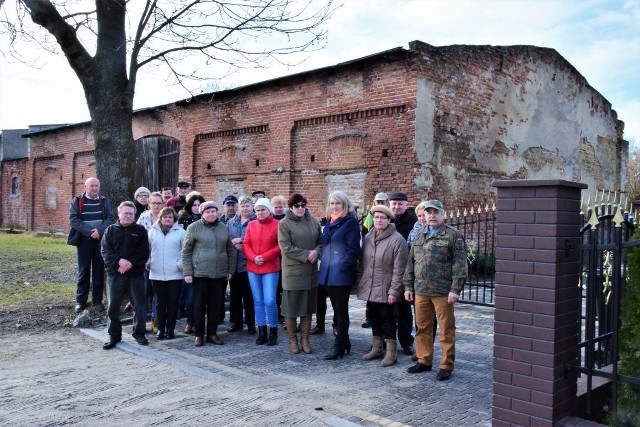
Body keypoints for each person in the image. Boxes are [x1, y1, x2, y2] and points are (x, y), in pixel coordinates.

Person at [403, 200, 467, 381]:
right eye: (428, 212)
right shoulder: (419, 234)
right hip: (421, 290)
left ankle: (446, 364)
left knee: (446, 330)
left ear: (442, 214)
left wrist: (455, 289)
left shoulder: (453, 236)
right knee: (422, 328)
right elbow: (410, 263)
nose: (432, 215)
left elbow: (460, 265)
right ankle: (424, 360)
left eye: (435, 212)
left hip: (443, 291)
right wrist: (408, 286)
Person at [357, 205, 408, 367]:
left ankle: (391, 353)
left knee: (388, 319)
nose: (379, 220)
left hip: (386, 287)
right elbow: (363, 263)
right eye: (376, 217)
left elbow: (400, 269)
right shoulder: (368, 238)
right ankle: (377, 348)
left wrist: (394, 290)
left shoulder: (397, 240)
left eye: (383, 218)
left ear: (389, 220)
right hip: (370, 286)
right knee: (373, 317)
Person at [181, 200, 235, 347]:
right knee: (199, 305)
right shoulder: (193, 228)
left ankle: (212, 333)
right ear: (202, 213)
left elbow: (230, 250)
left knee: (215, 305)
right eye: (207, 212)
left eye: (213, 211)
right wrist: (188, 272)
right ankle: (199, 334)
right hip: (200, 273)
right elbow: (186, 251)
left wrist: (230, 270)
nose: (211, 214)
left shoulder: (223, 227)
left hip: (219, 274)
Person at [101, 201, 150, 349]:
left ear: (134, 215)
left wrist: (129, 264)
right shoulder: (110, 231)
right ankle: (114, 335)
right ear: (119, 213)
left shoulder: (140, 231)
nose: (128, 216)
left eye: (131, 214)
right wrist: (119, 262)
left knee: (139, 307)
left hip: (135, 275)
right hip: (114, 275)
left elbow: (143, 253)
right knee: (113, 307)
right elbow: (105, 252)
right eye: (125, 213)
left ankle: (139, 333)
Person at [278, 193, 322, 354]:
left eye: (303, 205)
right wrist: (306, 255)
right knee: (291, 308)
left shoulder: (313, 221)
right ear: (291, 207)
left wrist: (316, 252)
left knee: (307, 307)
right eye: (297, 206)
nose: (300, 208)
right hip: (293, 272)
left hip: (310, 272)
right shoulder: (284, 223)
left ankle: (305, 339)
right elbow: (286, 248)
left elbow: (320, 241)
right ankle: (292, 340)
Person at [318, 190, 360, 360]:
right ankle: (345, 341)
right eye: (332, 203)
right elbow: (325, 243)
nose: (334, 206)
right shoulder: (329, 222)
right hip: (328, 271)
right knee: (336, 309)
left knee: (341, 311)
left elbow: (353, 249)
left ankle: (338, 346)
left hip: (341, 273)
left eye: (338, 203)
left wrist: (343, 265)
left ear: (345, 205)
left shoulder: (349, 223)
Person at [68, 177, 115, 313]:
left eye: (97, 186)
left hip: (101, 240)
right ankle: (80, 301)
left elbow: (110, 218)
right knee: (84, 271)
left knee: (98, 271)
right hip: (84, 241)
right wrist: (89, 232)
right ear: (86, 187)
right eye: (92, 186)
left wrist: (99, 231)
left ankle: (97, 301)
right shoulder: (77, 201)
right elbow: (73, 220)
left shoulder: (104, 201)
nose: (94, 188)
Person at [243, 197, 281, 346]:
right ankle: (262, 331)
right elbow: (246, 243)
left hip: (270, 267)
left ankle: (273, 330)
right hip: (253, 267)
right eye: (257, 210)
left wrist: (264, 257)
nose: (259, 212)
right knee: (258, 300)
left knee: (270, 300)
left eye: (262, 210)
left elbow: (280, 246)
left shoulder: (278, 224)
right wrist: (253, 258)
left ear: (268, 210)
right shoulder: (251, 225)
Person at [148, 207, 185, 340]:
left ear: (174, 219)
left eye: (170, 217)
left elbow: (185, 251)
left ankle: (171, 329)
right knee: (159, 303)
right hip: (156, 273)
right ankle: (161, 328)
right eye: (165, 217)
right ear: (161, 218)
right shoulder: (152, 232)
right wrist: (149, 262)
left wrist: (179, 265)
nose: (167, 219)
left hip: (174, 274)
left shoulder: (181, 232)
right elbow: (146, 250)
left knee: (173, 303)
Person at [389, 191, 417, 356]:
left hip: (406, 271)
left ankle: (407, 342)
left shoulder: (413, 222)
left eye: (400, 204)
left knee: (404, 310)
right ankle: (387, 341)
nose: (397, 206)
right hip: (387, 270)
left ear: (406, 205)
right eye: (394, 204)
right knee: (386, 310)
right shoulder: (386, 220)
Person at [226, 196, 256, 334]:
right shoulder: (231, 222)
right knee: (235, 296)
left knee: (249, 296)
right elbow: (227, 238)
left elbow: (256, 239)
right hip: (234, 264)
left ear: (252, 207)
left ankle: (250, 323)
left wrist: (241, 241)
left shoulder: (255, 221)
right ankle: (236, 322)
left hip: (248, 264)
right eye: (242, 206)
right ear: (239, 207)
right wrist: (233, 243)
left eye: (247, 206)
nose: (245, 209)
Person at [360, 191, 390, 328]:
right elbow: (365, 233)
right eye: (378, 202)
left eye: (382, 201)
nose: (380, 204)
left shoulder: (388, 216)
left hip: (385, 258)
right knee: (370, 293)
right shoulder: (370, 216)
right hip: (372, 254)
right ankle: (369, 318)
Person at [177, 192, 205, 334]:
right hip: (189, 261)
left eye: (199, 205)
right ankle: (190, 321)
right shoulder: (183, 220)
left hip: (204, 263)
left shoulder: (207, 219)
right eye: (194, 205)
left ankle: (199, 322)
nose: (197, 207)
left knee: (201, 297)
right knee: (189, 295)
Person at [137, 191, 165, 325]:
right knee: (143, 292)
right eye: (153, 203)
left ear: (163, 204)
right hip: (145, 261)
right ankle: (141, 321)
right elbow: (136, 238)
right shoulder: (143, 218)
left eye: (159, 203)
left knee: (158, 294)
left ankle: (156, 321)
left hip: (162, 261)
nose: (156, 205)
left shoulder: (167, 217)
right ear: (149, 204)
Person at [271, 194, 287, 325]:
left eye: (280, 207)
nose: (278, 209)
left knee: (284, 287)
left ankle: (284, 312)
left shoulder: (287, 219)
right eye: (275, 207)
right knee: (276, 288)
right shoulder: (270, 219)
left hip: (285, 257)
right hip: (274, 257)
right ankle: (277, 314)